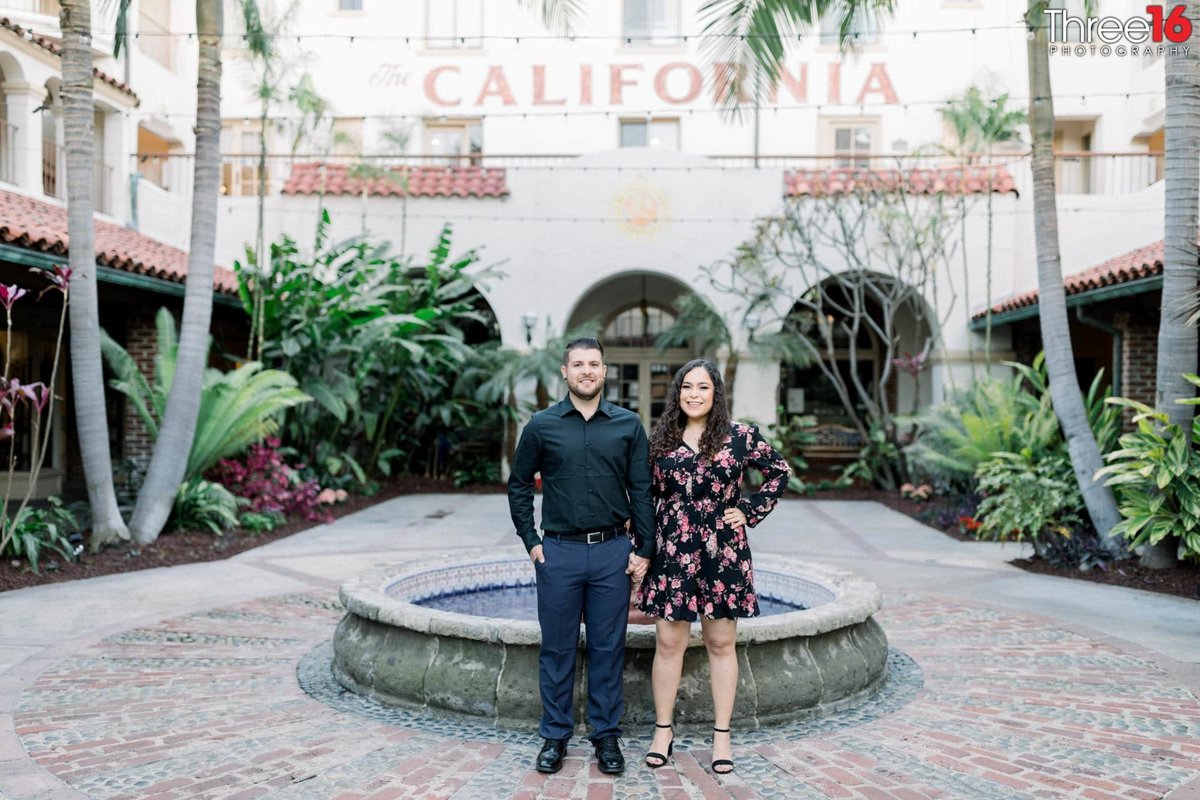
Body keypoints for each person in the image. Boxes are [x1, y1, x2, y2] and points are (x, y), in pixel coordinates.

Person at [635, 358, 791, 775]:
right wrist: (640, 547)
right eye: (687, 387)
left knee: (721, 644)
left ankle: (722, 735)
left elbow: (779, 472)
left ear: (715, 393)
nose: (694, 394)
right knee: (669, 645)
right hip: (673, 553)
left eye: (703, 387)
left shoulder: (739, 437)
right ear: (677, 392)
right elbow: (643, 496)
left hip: (722, 552)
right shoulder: (661, 440)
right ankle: (662, 731)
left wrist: (748, 510)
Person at [507, 336, 654, 775]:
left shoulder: (627, 425)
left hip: (612, 551)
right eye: (578, 364)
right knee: (556, 648)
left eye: (594, 364)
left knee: (609, 648)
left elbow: (642, 490)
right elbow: (518, 485)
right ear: (565, 373)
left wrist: (644, 547)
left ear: (604, 372)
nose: (586, 371)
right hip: (558, 553)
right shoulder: (541, 425)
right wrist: (531, 541)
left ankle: (606, 738)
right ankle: (555, 737)